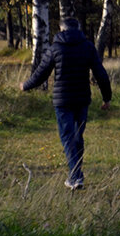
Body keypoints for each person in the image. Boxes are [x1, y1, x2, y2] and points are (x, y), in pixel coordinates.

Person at [20, 17, 111, 190]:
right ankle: (76, 175)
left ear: (62, 30)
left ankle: (76, 177)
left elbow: (41, 73)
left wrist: (26, 85)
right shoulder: (88, 47)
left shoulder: (56, 48)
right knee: (77, 137)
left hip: (62, 101)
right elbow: (101, 74)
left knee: (68, 137)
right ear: (78, 29)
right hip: (82, 99)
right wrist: (107, 98)